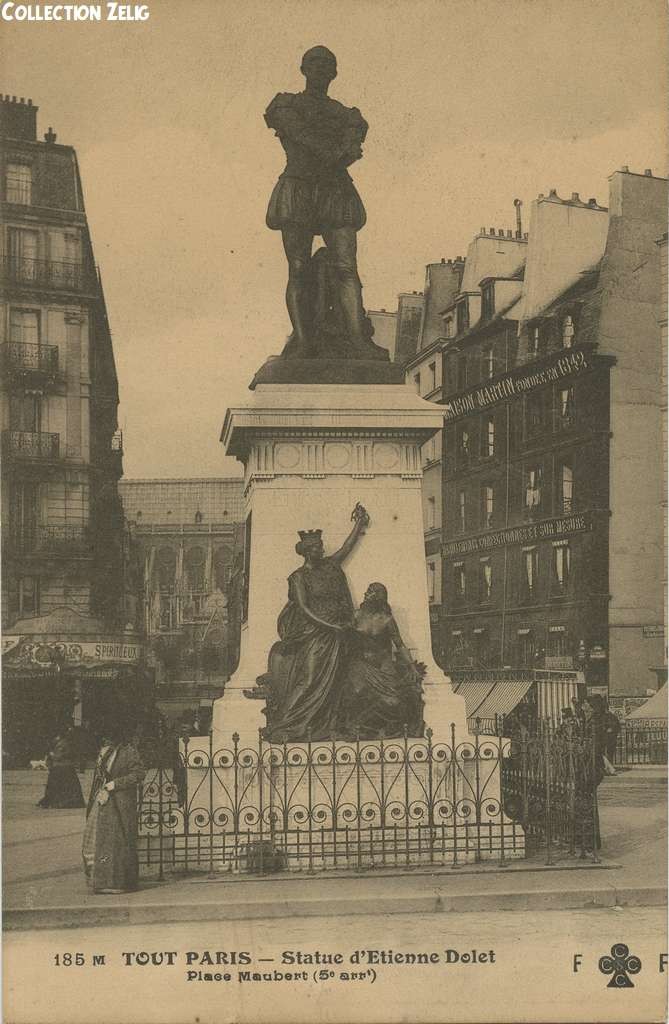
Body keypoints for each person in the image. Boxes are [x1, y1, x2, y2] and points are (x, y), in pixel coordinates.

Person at [265, 46, 385, 359]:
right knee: (299, 267)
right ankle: (304, 341)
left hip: (335, 189)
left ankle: (358, 340)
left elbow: (354, 137)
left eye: (327, 66)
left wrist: (341, 150)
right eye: (315, 65)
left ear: (334, 73)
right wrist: (336, 153)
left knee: (347, 266)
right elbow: (301, 134)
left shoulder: (347, 115)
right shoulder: (285, 104)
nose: (321, 71)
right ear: (303, 69)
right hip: (300, 187)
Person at [254, 504, 369, 742]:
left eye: (321, 545)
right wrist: (330, 627)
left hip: (337, 634)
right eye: (316, 547)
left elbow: (347, 547)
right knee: (308, 679)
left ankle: (328, 725)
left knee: (336, 682)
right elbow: (305, 609)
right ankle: (285, 723)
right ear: (307, 551)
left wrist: (358, 523)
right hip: (316, 634)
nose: (321, 549)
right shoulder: (298, 577)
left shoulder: (330, 565)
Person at [339, 583, 424, 739]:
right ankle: (357, 728)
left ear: (379, 597)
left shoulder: (387, 620)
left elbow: (399, 644)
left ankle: (374, 728)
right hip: (360, 664)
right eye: (367, 590)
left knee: (393, 702)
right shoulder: (356, 616)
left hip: (383, 666)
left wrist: (411, 666)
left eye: (371, 591)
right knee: (356, 691)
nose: (366, 593)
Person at [82, 724, 145, 894]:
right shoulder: (105, 752)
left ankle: (119, 883)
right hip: (103, 803)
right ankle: (101, 881)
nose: (106, 740)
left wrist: (115, 784)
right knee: (98, 842)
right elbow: (99, 777)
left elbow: (138, 775)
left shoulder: (129, 751)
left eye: (109, 737)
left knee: (117, 843)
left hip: (120, 804)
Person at [37, 725, 85, 809]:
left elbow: (58, 756)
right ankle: (51, 800)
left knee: (56, 783)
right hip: (64, 767)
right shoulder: (63, 742)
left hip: (61, 767)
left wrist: (51, 754)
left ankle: (56, 801)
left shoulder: (63, 743)